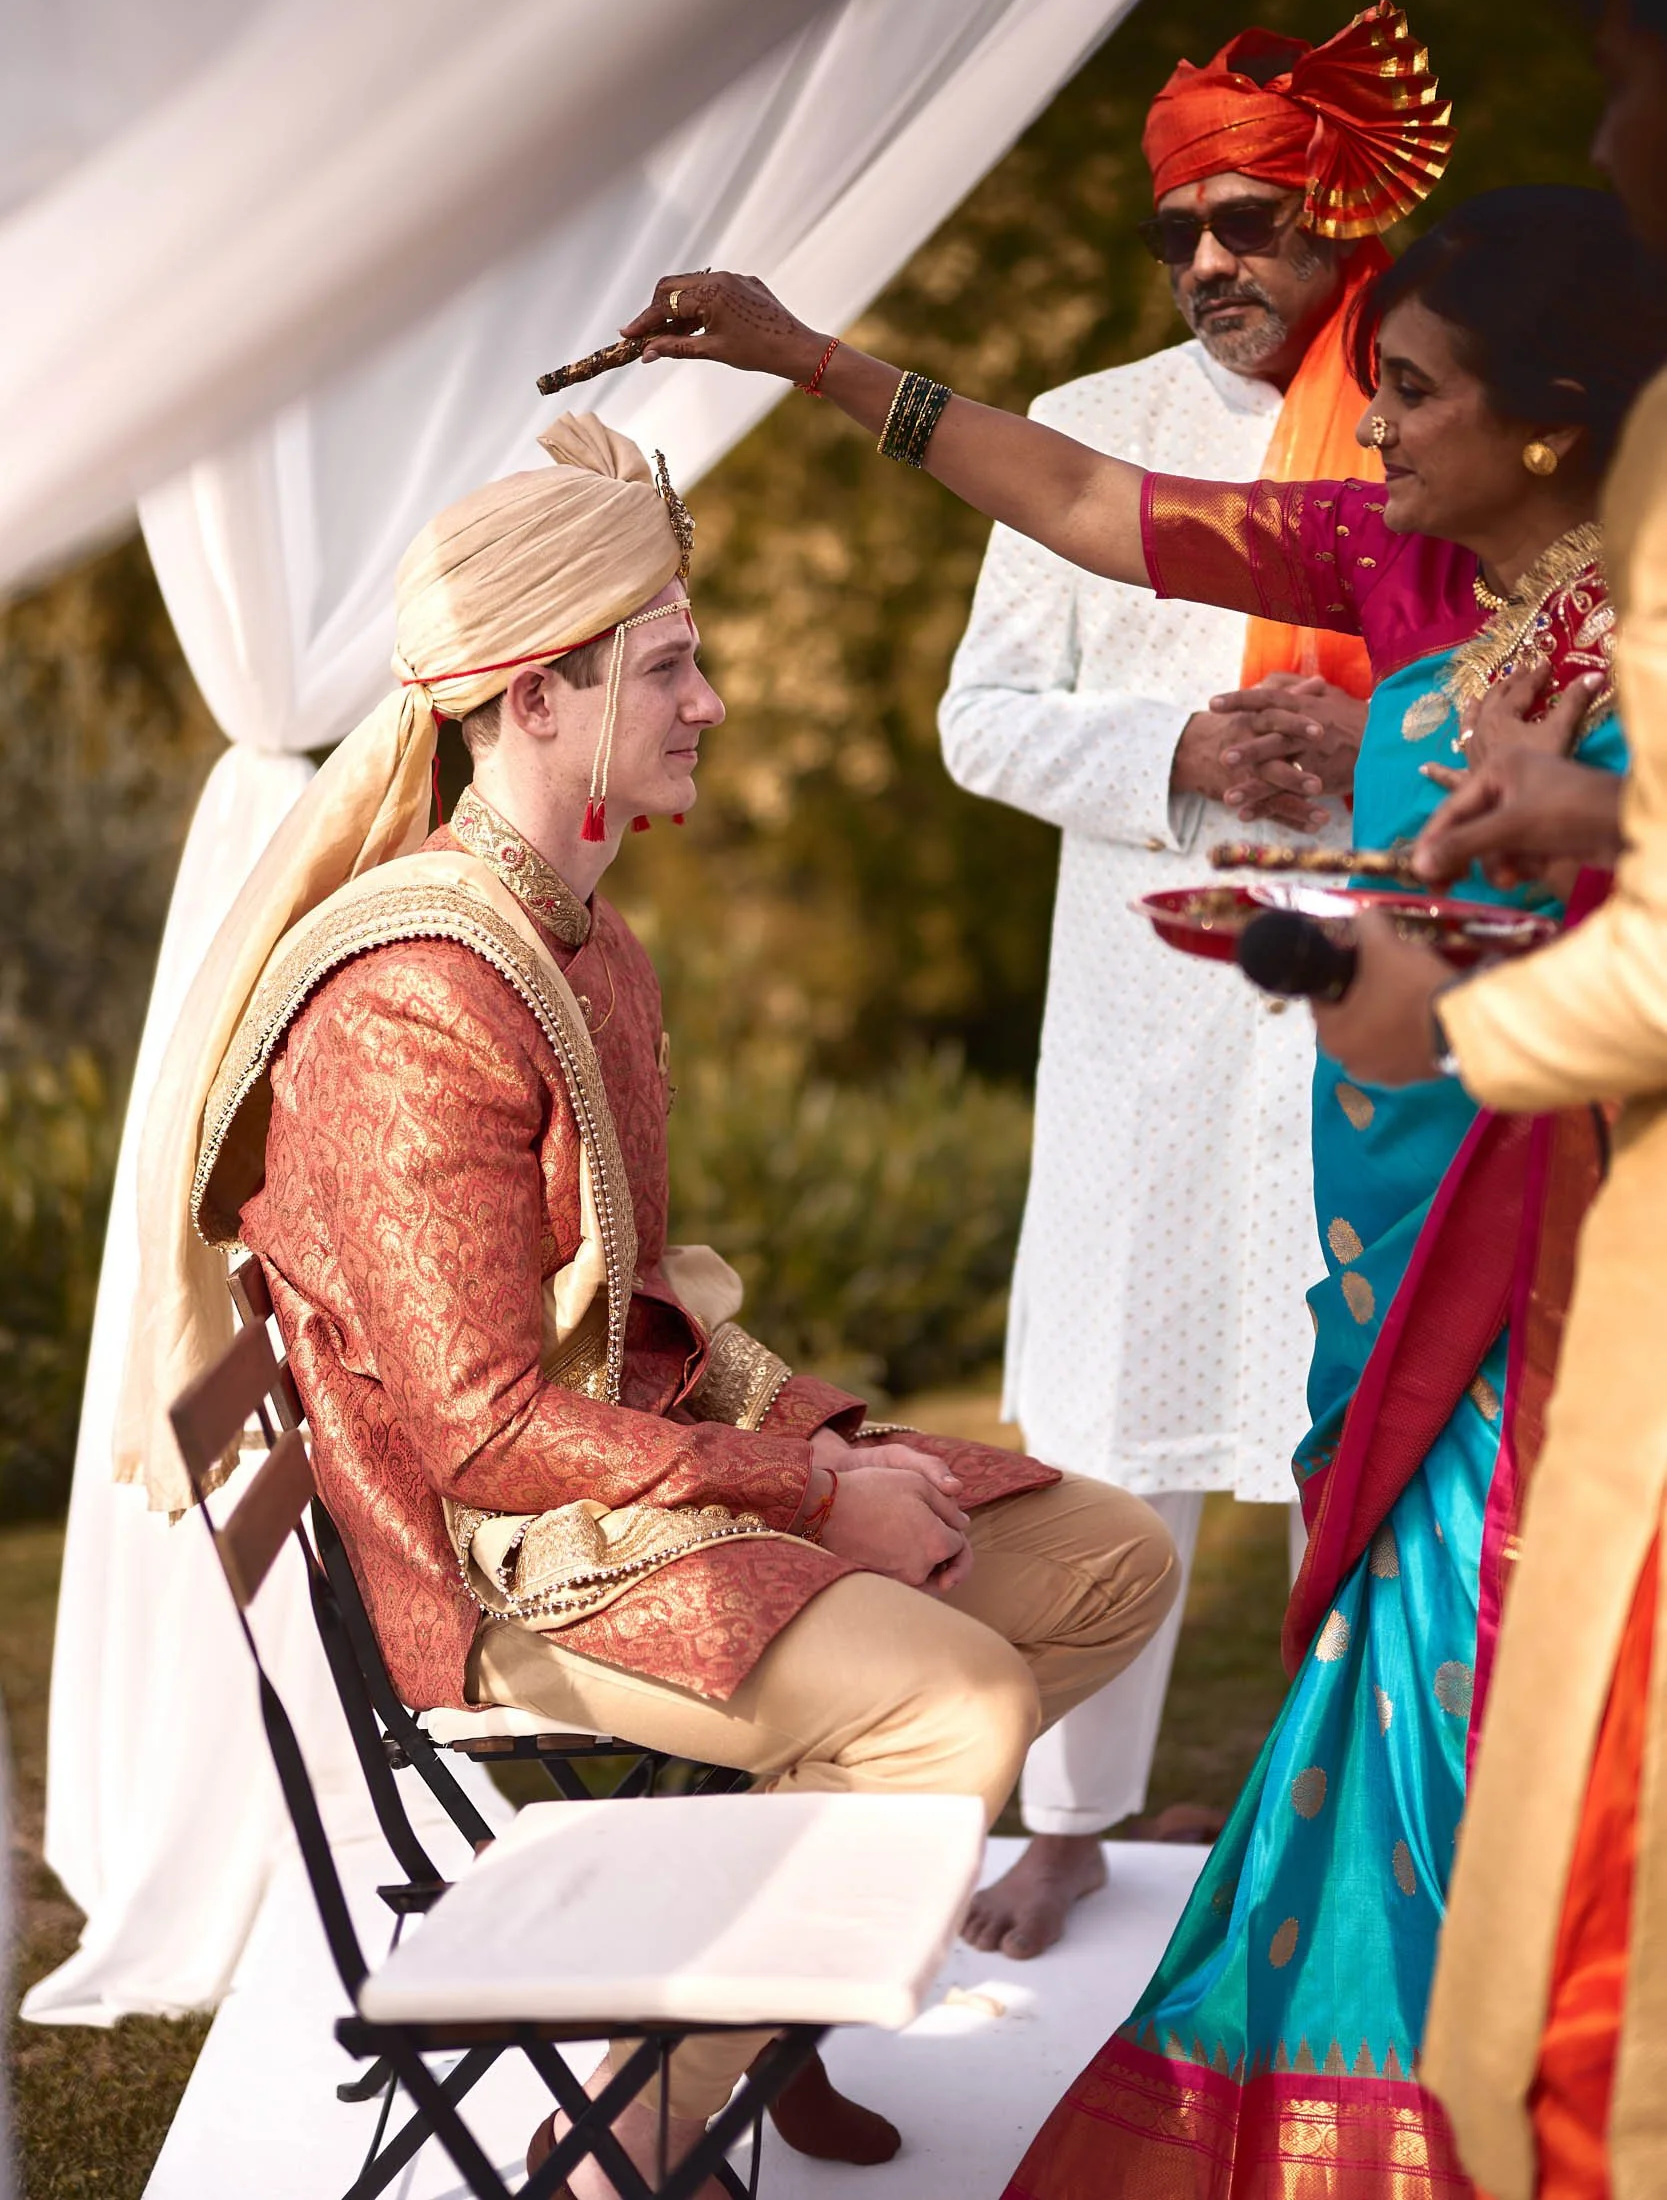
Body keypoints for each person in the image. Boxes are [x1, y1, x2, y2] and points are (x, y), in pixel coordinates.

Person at [618, 182, 1667, 2191]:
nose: (1360, 422)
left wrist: (1478, 898)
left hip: (1536, 1239)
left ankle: (1478, 2082)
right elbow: (1097, 502)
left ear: (1543, 418)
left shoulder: (1633, 621)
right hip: (1393, 1181)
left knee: (1482, 1640)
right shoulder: (1402, 548)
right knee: (1383, 1619)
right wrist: (815, 362)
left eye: (1411, 389)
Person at [119, 414, 1181, 2200]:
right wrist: (821, 1498)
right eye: (670, 665)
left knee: (1107, 1560)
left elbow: (634, 1324)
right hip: (493, 1563)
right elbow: (480, 1434)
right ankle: (630, 2136)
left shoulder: (578, 933)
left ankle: (751, 2025)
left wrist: (826, 1441)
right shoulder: (416, 1000)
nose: (708, 701)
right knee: (951, 1713)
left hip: (623, 1489)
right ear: (535, 696)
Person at [938, 2, 1451, 1961]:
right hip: (1151, 1024)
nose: (1208, 267)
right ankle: (1070, 1815)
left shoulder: (1437, 420)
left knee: (1361, 1403)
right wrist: (1169, 759)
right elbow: (975, 719)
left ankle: (1359, 1799)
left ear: (1334, 213)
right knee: (1114, 1420)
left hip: (1371, 1008)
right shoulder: (1081, 432)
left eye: (1243, 224)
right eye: (1180, 237)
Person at [1305, 0, 1667, 2200]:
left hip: (1557, 1205)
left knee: (1588, 1978)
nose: (1615, 143)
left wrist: (1425, 1025)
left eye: (1637, 79)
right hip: (1553, 1226)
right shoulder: (1483, 573)